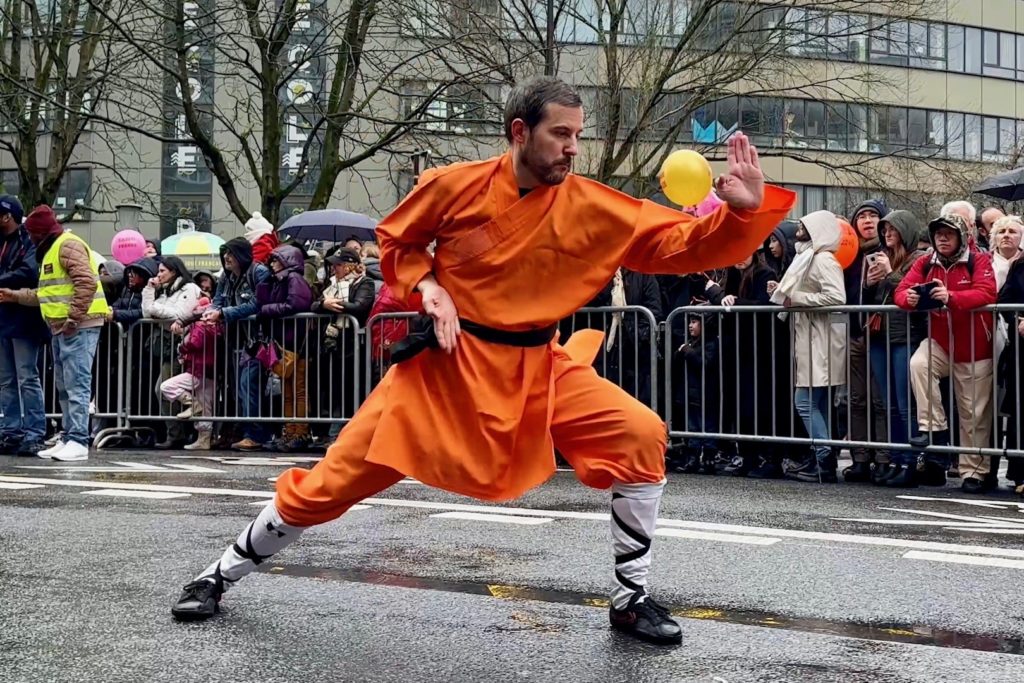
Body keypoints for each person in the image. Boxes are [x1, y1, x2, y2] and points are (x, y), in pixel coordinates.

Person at [169, 77, 794, 645]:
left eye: (578, 136)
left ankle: (630, 599)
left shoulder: (591, 203)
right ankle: (216, 576)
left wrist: (742, 213)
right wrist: (427, 289)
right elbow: (398, 241)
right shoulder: (453, 184)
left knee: (640, 435)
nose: (572, 148)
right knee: (330, 485)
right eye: (560, 135)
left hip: (541, 368)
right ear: (519, 132)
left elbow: (673, 246)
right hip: (448, 368)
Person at [895, 214, 997, 493]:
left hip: (975, 347)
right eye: (938, 233)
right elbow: (901, 290)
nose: (942, 238)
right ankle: (934, 427)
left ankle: (973, 473)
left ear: (962, 237)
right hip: (940, 341)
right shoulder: (926, 261)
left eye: (948, 234)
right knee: (919, 363)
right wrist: (910, 299)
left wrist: (950, 297)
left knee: (974, 415)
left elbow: (987, 293)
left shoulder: (980, 260)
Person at [0, 205, 110, 462]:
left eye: (33, 233)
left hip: (77, 325)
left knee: (76, 385)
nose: (31, 238)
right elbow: (47, 293)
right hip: (65, 326)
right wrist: (14, 295)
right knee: (66, 385)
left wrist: (73, 317)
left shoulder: (66, 245)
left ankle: (78, 439)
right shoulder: (54, 247)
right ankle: (70, 436)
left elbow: (86, 282)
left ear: (40, 231)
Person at [769, 210, 847, 483]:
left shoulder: (823, 260)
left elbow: (836, 296)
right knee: (818, 403)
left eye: (804, 226)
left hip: (820, 339)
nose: (798, 230)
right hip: (811, 337)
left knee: (804, 402)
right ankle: (823, 461)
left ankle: (824, 459)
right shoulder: (807, 258)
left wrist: (795, 299)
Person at [183, 238, 270, 450]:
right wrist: (210, 311)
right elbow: (218, 299)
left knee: (248, 386)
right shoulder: (227, 276)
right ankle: (239, 431)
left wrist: (222, 313)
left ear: (242, 255)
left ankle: (256, 434)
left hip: (256, 340)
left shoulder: (259, 272)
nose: (226, 258)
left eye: (230, 253)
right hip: (233, 341)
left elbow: (257, 304)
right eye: (225, 254)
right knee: (236, 390)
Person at [862, 210, 928, 487]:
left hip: (904, 335)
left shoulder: (919, 259)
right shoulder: (882, 256)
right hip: (879, 335)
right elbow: (869, 298)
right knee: (888, 403)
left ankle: (909, 461)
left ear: (906, 230)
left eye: (892, 229)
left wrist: (889, 275)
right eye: (884, 230)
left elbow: (912, 293)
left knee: (904, 404)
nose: (886, 234)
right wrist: (868, 283)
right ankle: (894, 458)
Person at [706, 248, 778, 476]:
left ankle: (762, 456)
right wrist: (722, 297)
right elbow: (725, 303)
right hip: (734, 346)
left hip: (757, 348)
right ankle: (746, 455)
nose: (739, 258)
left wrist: (736, 301)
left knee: (755, 403)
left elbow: (767, 305)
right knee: (738, 403)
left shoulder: (766, 273)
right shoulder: (733, 273)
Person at [842, 199, 890, 483]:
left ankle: (884, 457)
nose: (868, 221)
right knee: (856, 399)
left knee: (880, 399)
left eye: (873, 216)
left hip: (882, 336)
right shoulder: (848, 254)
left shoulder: (889, 252)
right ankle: (859, 457)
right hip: (854, 333)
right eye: (862, 216)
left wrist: (879, 281)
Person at [0, 196, 49, 457]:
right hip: (3, 318)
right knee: (7, 380)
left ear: (7, 217)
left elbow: (29, 271)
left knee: (27, 377)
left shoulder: (27, 240)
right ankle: (11, 431)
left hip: (24, 318)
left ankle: (34, 433)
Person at [312, 248, 375, 440]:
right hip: (333, 343)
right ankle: (328, 434)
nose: (334, 268)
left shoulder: (365, 282)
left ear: (349, 266)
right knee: (331, 389)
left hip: (353, 345)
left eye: (339, 264)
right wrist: (324, 304)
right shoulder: (332, 284)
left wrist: (334, 304)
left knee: (350, 390)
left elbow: (360, 306)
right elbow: (314, 305)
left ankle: (345, 435)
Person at [255, 244, 313, 453]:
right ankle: (290, 430)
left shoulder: (294, 279)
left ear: (287, 260)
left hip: (298, 343)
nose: (272, 264)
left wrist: (267, 310)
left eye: (276, 260)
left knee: (298, 391)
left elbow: (295, 305)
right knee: (289, 391)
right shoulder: (278, 281)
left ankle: (300, 432)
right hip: (286, 342)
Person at [143, 256, 202, 450]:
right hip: (169, 347)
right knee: (164, 389)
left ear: (174, 271)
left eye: (162, 271)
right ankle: (177, 433)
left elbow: (179, 314)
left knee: (164, 388)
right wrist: (149, 290)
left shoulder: (189, 288)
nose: (158, 275)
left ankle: (180, 433)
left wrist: (157, 309)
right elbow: (147, 312)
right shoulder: (165, 291)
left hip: (185, 345)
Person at [159, 296, 220, 450]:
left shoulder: (202, 326)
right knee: (207, 407)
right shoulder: (215, 325)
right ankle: (203, 439)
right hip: (207, 369)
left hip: (198, 369)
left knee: (166, 386)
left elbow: (195, 343)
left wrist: (182, 345)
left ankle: (192, 405)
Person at [672, 311, 719, 474]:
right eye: (690, 322)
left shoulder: (710, 344)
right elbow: (676, 360)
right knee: (692, 426)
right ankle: (693, 457)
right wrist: (681, 351)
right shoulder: (690, 342)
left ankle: (709, 458)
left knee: (707, 426)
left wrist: (687, 352)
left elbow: (705, 363)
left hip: (705, 393)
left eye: (694, 322)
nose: (690, 325)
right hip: (691, 394)